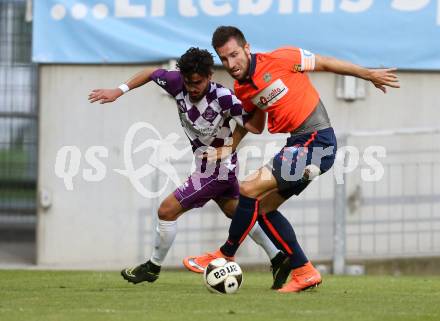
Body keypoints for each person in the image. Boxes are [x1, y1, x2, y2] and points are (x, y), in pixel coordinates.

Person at [183, 26, 400, 293]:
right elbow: (252, 123)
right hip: (299, 145)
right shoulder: (242, 88)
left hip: (316, 141)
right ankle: (304, 271)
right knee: (261, 209)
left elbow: (325, 62)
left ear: (247, 48)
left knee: (248, 189)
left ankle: (226, 254)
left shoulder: (281, 58)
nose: (230, 63)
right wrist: (229, 147)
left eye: (234, 55)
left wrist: (368, 74)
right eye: (224, 59)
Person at [88, 47, 286, 285]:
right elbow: (151, 73)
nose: (192, 87)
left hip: (217, 170)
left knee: (166, 210)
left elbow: (250, 123)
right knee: (237, 213)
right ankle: (278, 258)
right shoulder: (175, 83)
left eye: (198, 82)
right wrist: (119, 91)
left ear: (209, 76)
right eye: (188, 82)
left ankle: (152, 267)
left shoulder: (222, 97)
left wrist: (231, 145)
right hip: (208, 166)